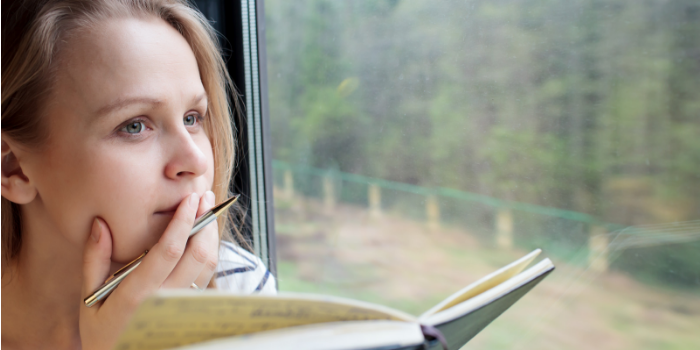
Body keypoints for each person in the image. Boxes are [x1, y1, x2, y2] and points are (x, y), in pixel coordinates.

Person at [1, 0, 275, 348]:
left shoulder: (244, 293)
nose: (196, 161)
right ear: (13, 168)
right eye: (134, 126)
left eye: (192, 118)